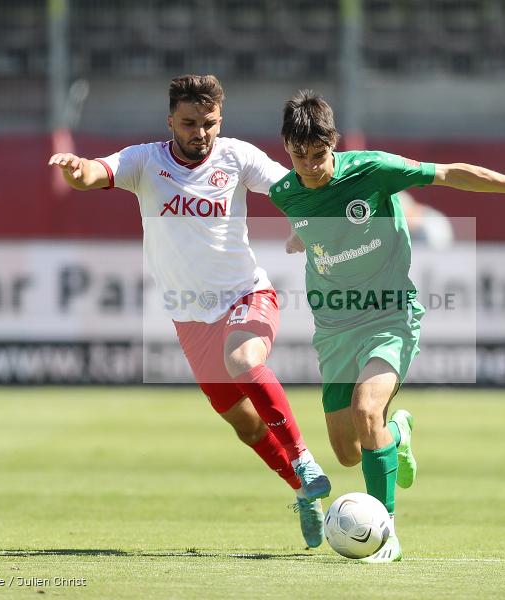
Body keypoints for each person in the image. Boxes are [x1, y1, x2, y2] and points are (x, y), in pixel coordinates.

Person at [270, 90, 505, 563]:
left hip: (390, 315)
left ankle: (386, 532)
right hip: (334, 329)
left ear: (334, 143)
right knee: (347, 453)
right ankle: (399, 434)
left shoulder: (372, 170)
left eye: (319, 154)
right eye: (297, 154)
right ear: (287, 148)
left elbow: (450, 174)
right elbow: (310, 219)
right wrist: (298, 235)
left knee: (368, 411)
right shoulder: (286, 191)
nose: (309, 165)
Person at [47, 75, 331, 548]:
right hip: (190, 318)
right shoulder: (146, 161)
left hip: (247, 295)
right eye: (189, 123)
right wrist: (78, 170)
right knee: (245, 424)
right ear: (170, 122)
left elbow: (291, 189)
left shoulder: (236, 156)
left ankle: (304, 458)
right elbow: (97, 172)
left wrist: (304, 225)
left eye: (209, 123)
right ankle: (303, 492)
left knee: (244, 363)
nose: (200, 132)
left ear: (221, 120)